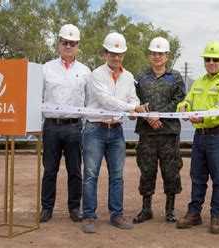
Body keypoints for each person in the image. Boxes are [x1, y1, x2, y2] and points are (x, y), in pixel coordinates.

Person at [81, 32, 147, 234]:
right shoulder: (96, 75)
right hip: (94, 130)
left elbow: (134, 98)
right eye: (112, 53)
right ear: (105, 54)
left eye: (119, 54)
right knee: (91, 175)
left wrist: (134, 107)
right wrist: (131, 109)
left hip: (116, 131)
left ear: (124, 56)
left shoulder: (128, 77)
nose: (116, 58)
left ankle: (117, 214)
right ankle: (90, 217)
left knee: (117, 176)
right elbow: (106, 100)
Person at [176, 41, 219, 234]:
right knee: (197, 177)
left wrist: (202, 116)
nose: (211, 62)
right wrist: (184, 106)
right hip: (200, 135)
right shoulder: (199, 82)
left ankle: (216, 216)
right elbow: (188, 100)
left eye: (215, 59)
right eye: (208, 59)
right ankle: (194, 213)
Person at [40, 24, 90, 223]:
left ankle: (74, 208)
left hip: (74, 127)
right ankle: (46, 208)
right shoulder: (46, 68)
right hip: (51, 126)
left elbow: (90, 101)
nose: (68, 46)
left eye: (72, 43)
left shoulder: (85, 71)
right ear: (58, 44)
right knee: (50, 170)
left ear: (78, 46)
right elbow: (36, 97)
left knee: (75, 171)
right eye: (65, 42)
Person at [133, 37, 186, 224]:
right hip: (147, 133)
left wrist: (159, 116)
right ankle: (146, 209)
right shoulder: (140, 76)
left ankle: (170, 209)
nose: (157, 57)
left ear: (167, 56)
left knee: (171, 171)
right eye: (154, 53)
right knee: (146, 170)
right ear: (149, 55)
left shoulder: (176, 76)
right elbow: (134, 99)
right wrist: (149, 117)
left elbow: (179, 101)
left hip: (168, 133)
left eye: (160, 53)